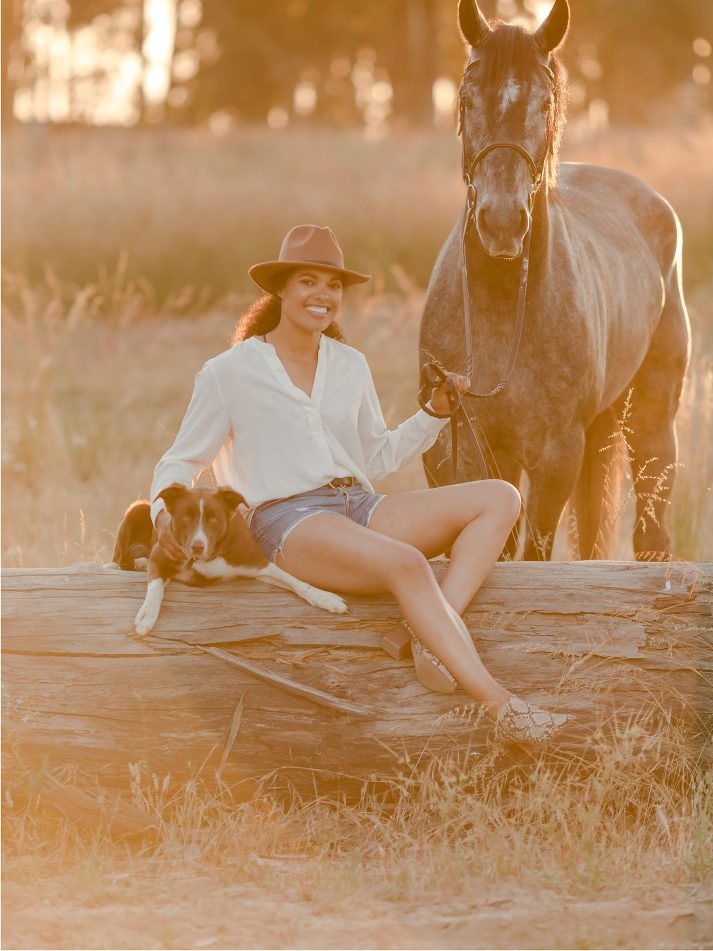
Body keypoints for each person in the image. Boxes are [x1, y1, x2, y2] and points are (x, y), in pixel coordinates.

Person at [150, 224, 569, 744]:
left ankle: (426, 638)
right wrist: (162, 514)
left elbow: (376, 454)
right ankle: (504, 708)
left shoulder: (350, 365)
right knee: (407, 564)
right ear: (281, 289)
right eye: (308, 281)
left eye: (333, 285)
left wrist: (433, 413)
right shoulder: (229, 372)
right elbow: (180, 459)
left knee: (501, 497)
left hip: (359, 504)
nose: (322, 296)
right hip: (287, 521)